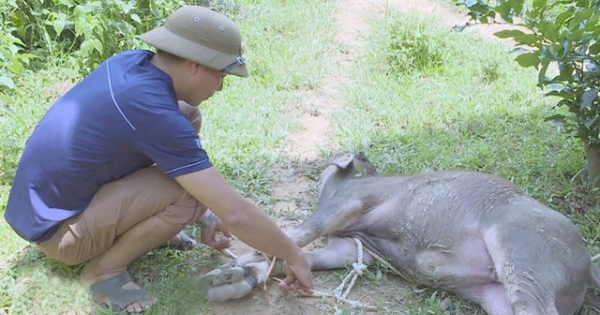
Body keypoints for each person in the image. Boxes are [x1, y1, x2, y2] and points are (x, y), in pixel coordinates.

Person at [3, 5, 313, 313]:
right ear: (195, 65)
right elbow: (236, 213)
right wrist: (294, 256)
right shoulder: (153, 114)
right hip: (60, 234)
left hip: (44, 209)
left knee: (188, 115)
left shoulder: (131, 62)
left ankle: (146, 225)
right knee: (189, 195)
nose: (220, 86)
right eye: (221, 74)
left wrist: (205, 215)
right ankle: (103, 272)